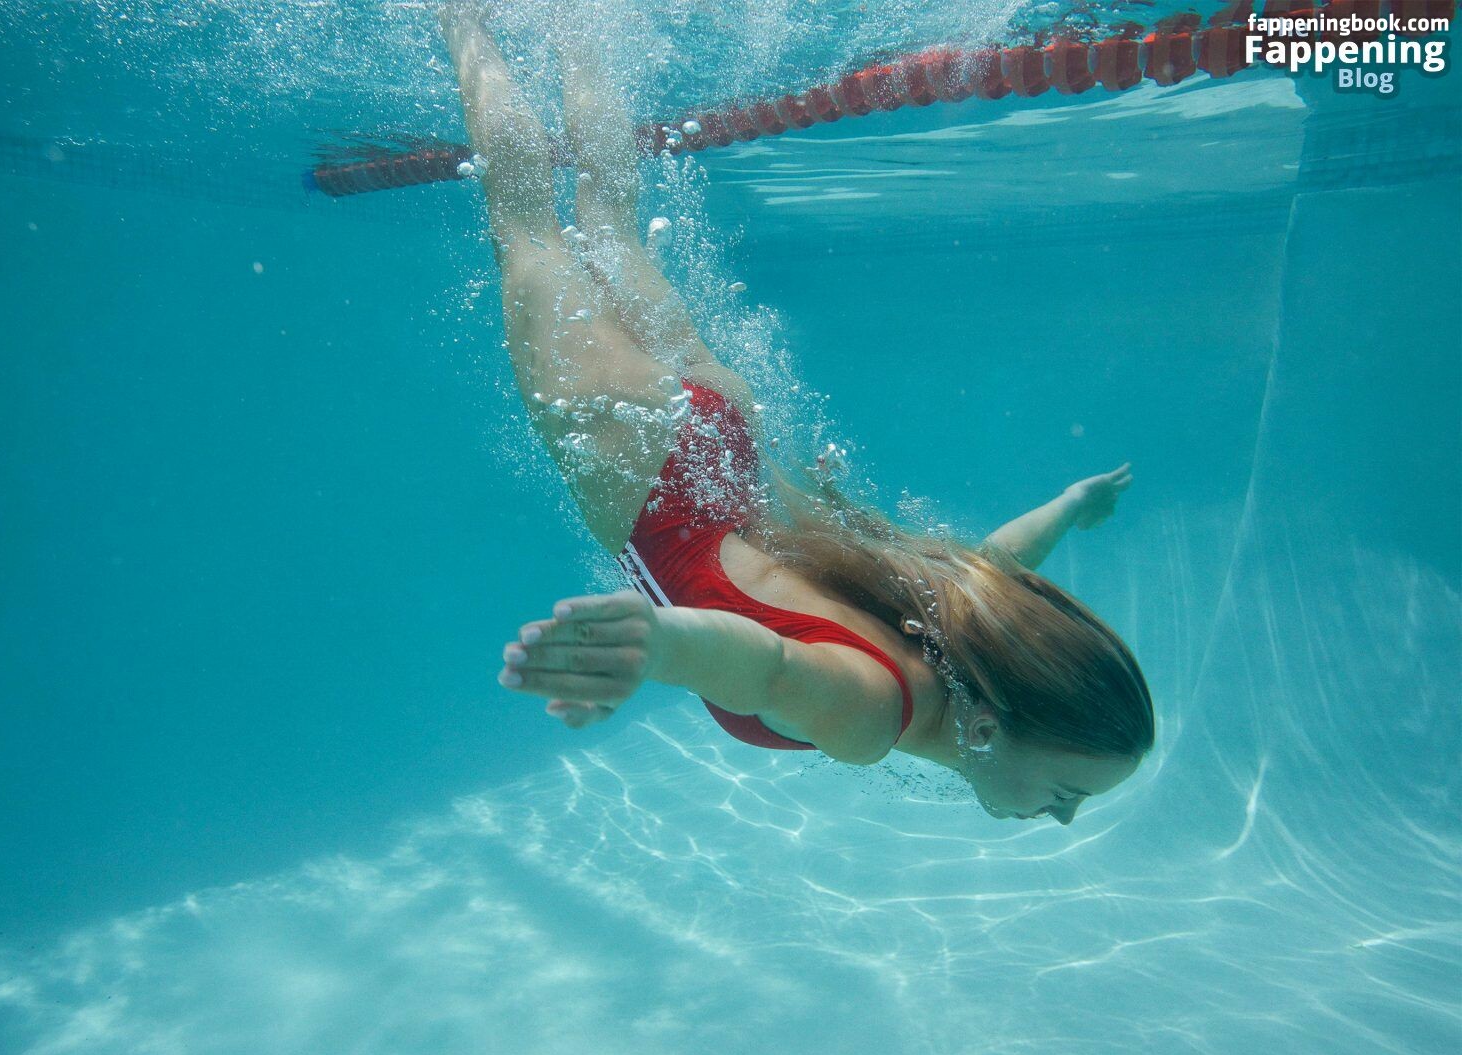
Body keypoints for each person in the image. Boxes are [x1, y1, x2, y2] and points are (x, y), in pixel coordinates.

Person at [439, 3, 1152, 824]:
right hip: (654, 492)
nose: (1062, 817)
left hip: (718, 442)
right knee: (528, 230)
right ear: (989, 729)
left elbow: (997, 564)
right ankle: (462, 19)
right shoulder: (872, 716)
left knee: (607, 226)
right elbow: (770, 668)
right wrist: (658, 645)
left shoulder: (961, 638)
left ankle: (577, 25)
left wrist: (1069, 504)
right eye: (1066, 793)